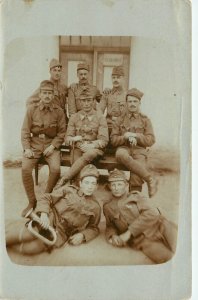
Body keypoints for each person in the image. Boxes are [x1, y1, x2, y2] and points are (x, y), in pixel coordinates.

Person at [6, 164, 101, 255]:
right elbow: (46, 198)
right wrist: (44, 214)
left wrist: (82, 236)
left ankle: (6, 248)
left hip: (62, 232)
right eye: (87, 182)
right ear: (80, 183)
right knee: (28, 235)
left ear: (96, 186)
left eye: (93, 183)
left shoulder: (96, 207)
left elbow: (94, 228)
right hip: (50, 218)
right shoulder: (69, 190)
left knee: (31, 249)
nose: (90, 186)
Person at [103, 169, 177, 264]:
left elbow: (153, 213)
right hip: (141, 240)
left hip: (160, 226)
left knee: (184, 248)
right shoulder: (108, 207)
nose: (116, 188)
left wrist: (129, 232)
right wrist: (112, 236)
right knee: (167, 260)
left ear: (126, 185)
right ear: (109, 187)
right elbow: (110, 226)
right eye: (113, 185)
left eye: (119, 184)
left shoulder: (136, 196)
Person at [21, 80, 66, 217]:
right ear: (40, 94)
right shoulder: (31, 110)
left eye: (50, 93)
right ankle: (32, 201)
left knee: (55, 169)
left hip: (51, 145)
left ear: (53, 95)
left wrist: (53, 146)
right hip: (34, 145)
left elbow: (62, 132)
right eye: (44, 93)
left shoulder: (59, 112)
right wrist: (27, 148)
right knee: (25, 169)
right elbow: (24, 131)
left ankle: (45, 199)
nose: (47, 96)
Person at [110, 88, 157, 197]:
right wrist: (125, 137)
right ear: (126, 103)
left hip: (139, 151)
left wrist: (136, 136)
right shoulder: (120, 120)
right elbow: (113, 140)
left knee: (136, 175)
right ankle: (149, 178)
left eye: (135, 101)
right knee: (120, 154)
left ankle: (134, 201)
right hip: (124, 148)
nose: (132, 104)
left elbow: (151, 140)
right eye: (130, 101)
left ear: (139, 103)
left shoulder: (145, 120)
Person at [57, 90, 109, 187]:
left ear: (93, 101)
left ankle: (64, 179)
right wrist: (74, 139)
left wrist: (91, 145)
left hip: (95, 150)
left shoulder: (100, 117)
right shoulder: (74, 117)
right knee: (78, 167)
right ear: (79, 102)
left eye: (89, 100)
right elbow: (67, 139)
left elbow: (104, 140)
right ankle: (77, 188)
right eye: (83, 101)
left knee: (89, 153)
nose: (86, 103)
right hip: (78, 148)